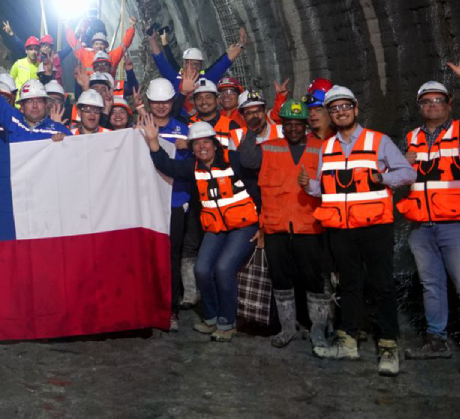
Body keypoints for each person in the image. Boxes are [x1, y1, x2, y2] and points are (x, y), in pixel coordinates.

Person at [299, 85, 414, 376]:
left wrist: (383, 178)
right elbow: (326, 188)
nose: (340, 112)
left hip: (375, 226)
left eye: (345, 107)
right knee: (349, 285)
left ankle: (388, 345)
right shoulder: (327, 147)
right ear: (330, 114)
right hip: (342, 229)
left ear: (356, 109)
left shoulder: (378, 140)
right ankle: (348, 341)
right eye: (334, 108)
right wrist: (309, 186)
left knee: (382, 285)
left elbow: (408, 172)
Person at [397, 49, 460, 377]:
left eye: (439, 100)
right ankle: (436, 339)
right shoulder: (411, 139)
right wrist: (402, 165)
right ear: (419, 107)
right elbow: (398, 179)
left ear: (449, 105)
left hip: (459, 225)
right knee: (431, 285)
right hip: (422, 226)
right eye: (426, 101)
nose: (432, 105)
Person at [141, 119, 258, 342]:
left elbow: (256, 188)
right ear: (192, 147)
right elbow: (167, 166)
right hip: (217, 227)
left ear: (214, 144)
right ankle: (211, 317)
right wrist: (153, 141)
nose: (202, 147)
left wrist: (263, 224)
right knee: (202, 269)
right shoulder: (192, 167)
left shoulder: (233, 160)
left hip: (244, 226)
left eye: (206, 142)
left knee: (223, 269)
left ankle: (227, 322)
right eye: (196, 143)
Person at [236, 98, 332, 349]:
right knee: (280, 278)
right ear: (283, 125)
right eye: (288, 123)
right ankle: (287, 328)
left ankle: (318, 328)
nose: (293, 128)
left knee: (313, 279)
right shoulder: (270, 147)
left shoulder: (321, 148)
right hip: (275, 225)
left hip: (309, 225)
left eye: (298, 124)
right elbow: (247, 159)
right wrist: (253, 129)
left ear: (305, 125)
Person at [136, 78, 193, 330]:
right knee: (146, 253)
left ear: (172, 102)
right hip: (146, 201)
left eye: (166, 102)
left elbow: (193, 165)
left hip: (175, 201)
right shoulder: (138, 127)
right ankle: (147, 303)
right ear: (149, 102)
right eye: (156, 102)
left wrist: (189, 146)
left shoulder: (184, 130)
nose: (161, 106)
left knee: (172, 256)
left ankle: (171, 309)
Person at [0, 38, 70, 142]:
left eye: (39, 101)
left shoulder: (58, 130)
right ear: (22, 105)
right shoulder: (12, 120)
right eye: (29, 101)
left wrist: (66, 142)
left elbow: (78, 147)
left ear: (45, 103)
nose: (35, 105)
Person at [149, 27, 247, 92]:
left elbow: (224, 63)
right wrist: (152, 39)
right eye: (191, 63)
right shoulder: (175, 77)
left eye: (197, 64)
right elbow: (161, 60)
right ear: (184, 64)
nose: (194, 67)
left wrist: (240, 44)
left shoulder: (206, 78)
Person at [189, 78, 243, 149]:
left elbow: (239, 154)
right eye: (199, 98)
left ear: (217, 100)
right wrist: (182, 93)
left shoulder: (232, 125)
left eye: (208, 97)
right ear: (194, 102)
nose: (204, 102)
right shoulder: (187, 123)